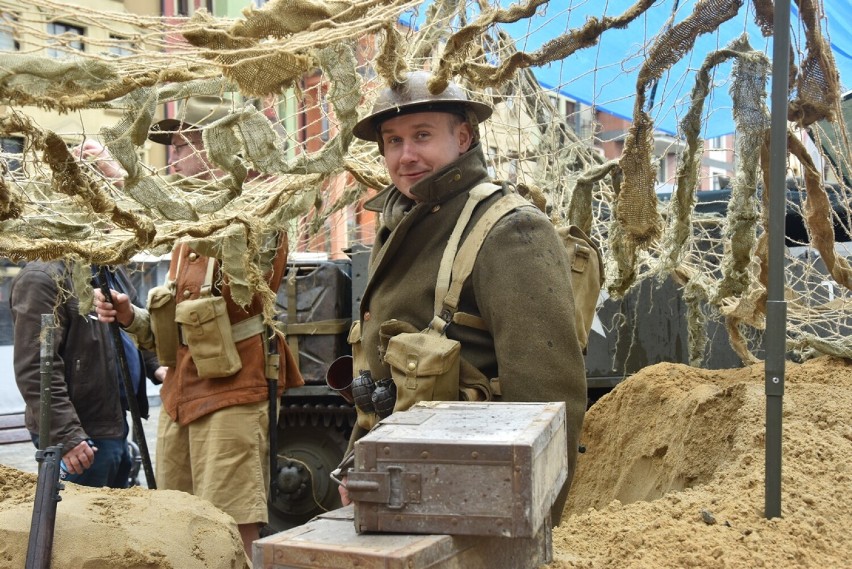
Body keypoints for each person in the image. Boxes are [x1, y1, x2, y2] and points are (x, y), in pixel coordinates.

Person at [343, 71, 587, 516]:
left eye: (422, 135)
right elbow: (376, 375)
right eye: (393, 141)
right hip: (395, 485)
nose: (407, 155)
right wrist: (355, 463)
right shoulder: (399, 222)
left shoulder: (510, 229)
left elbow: (550, 402)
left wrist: (529, 532)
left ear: (463, 136)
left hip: (473, 499)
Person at [94, 95, 303, 560]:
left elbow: (243, 290)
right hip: (181, 397)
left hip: (233, 394)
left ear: (221, 147)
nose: (175, 153)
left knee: (229, 528)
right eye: (176, 143)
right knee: (176, 523)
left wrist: (121, 178)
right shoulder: (186, 235)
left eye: (187, 141)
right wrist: (129, 317)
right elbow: (179, 326)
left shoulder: (258, 216)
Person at [11, 260, 165, 488]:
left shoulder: (108, 266)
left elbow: (129, 322)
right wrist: (66, 436)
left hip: (112, 419)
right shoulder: (41, 277)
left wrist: (155, 365)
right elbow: (36, 367)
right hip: (80, 432)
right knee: (81, 518)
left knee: (115, 515)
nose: (113, 229)